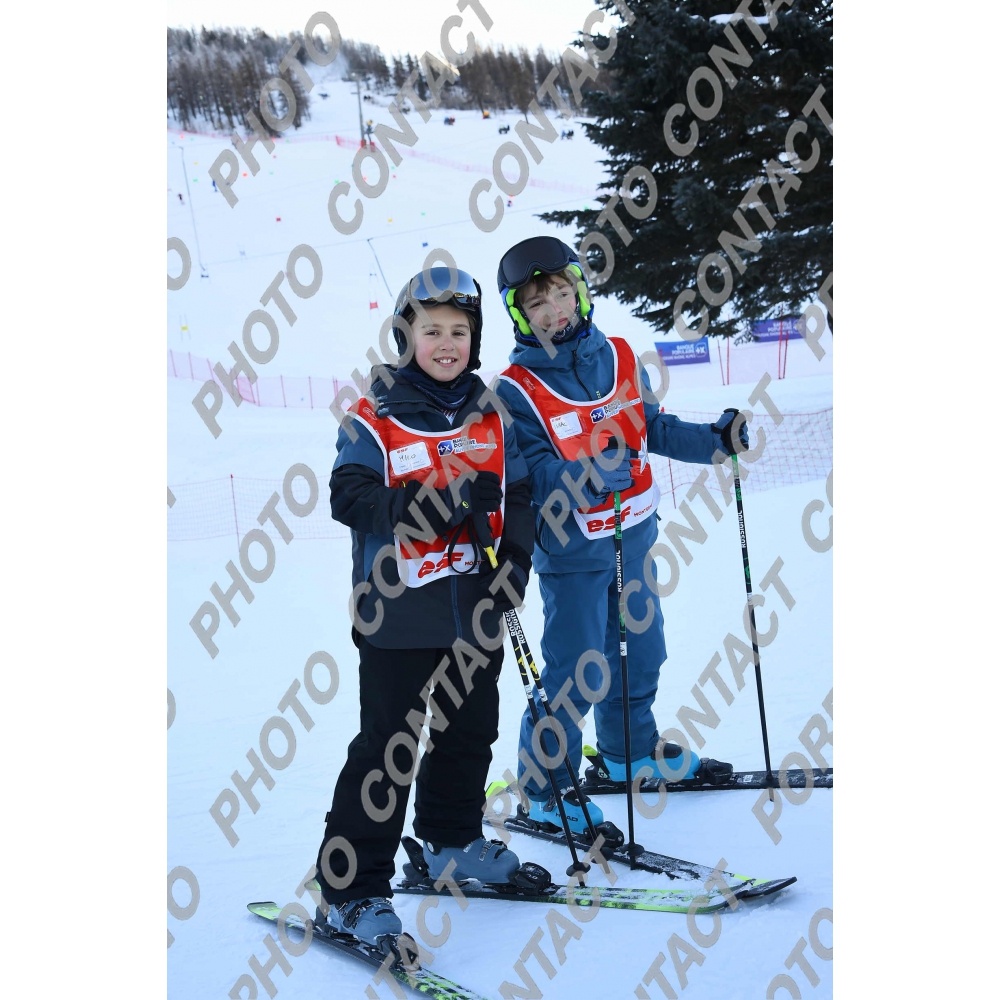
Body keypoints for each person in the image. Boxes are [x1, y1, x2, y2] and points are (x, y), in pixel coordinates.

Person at [493, 236, 748, 835]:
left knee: (641, 651)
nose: (554, 311)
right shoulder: (513, 391)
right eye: (537, 303)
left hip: (633, 538)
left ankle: (627, 752)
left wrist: (714, 441)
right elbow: (530, 476)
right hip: (574, 554)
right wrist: (584, 475)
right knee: (578, 671)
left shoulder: (621, 356)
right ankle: (544, 786)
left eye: (562, 293)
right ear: (520, 315)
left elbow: (652, 428)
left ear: (580, 293)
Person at [314, 267, 535, 948]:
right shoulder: (375, 414)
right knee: (389, 749)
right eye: (431, 330)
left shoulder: (492, 413)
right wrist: (436, 502)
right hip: (398, 613)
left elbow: (520, 497)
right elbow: (349, 497)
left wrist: (515, 565)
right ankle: (349, 891)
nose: (446, 344)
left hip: (475, 605)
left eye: (459, 332)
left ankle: (450, 843)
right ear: (405, 335)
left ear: (475, 339)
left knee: (470, 731)